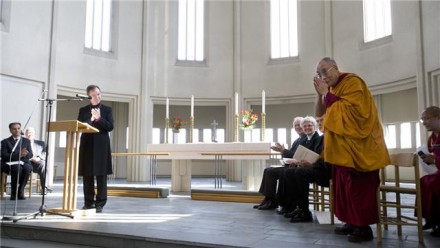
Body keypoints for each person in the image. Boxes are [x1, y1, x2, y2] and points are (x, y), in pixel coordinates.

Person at [313, 57, 390, 242]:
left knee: (358, 189)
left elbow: (357, 114)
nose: (322, 77)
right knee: (343, 189)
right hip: (342, 150)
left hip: (361, 148)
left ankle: (363, 228)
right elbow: (319, 115)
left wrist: (327, 95)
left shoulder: (353, 82)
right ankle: (350, 221)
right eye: (318, 74)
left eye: (324, 71)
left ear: (335, 68)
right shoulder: (330, 90)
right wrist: (320, 95)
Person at [253, 116, 306, 211]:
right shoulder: (297, 140)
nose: (297, 127)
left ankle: (272, 201)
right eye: (295, 125)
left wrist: (283, 150)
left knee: (271, 172)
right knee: (268, 170)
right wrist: (282, 151)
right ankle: (268, 199)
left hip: (296, 167)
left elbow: (297, 157)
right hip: (290, 165)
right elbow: (290, 156)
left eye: (299, 125)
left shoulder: (305, 139)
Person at [283, 116, 327, 223]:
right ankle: (299, 207)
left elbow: (323, 158)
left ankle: (305, 212)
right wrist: (296, 162)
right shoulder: (304, 141)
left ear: (315, 126)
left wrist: (311, 164)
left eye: (310, 125)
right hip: (311, 168)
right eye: (305, 126)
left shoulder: (321, 139)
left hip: (322, 170)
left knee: (299, 172)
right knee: (289, 172)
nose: (307, 127)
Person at [77, 85, 114, 213]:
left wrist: (99, 119)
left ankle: (100, 203)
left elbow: (110, 126)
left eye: (99, 94)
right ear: (89, 96)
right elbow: (79, 125)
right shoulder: (83, 110)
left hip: (101, 146)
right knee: (87, 175)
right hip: (87, 145)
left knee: (101, 176)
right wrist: (91, 119)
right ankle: (88, 202)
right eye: (94, 95)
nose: (97, 97)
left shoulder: (107, 109)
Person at [419, 106, 440, 237]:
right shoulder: (431, 138)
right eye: (422, 120)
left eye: (427, 118)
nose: (424, 122)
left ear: (438, 117)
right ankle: (432, 220)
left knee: (434, 183)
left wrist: (435, 160)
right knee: (424, 181)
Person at [1, 122, 33, 200]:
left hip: (24, 162)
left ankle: (21, 190)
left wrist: (26, 154)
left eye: (18, 128)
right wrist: (18, 155)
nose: (17, 130)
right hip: (10, 164)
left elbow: (31, 155)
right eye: (14, 129)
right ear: (10, 130)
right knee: (17, 167)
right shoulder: (5, 141)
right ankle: (13, 193)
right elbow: (3, 155)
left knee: (27, 168)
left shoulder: (26, 141)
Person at [24, 127, 52, 194]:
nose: (30, 134)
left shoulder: (41, 143)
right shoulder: (21, 143)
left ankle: (44, 188)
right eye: (28, 133)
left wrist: (39, 158)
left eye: (32, 133)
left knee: (43, 164)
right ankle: (20, 189)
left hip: (37, 163)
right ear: (25, 134)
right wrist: (32, 158)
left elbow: (45, 153)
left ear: (34, 134)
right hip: (26, 163)